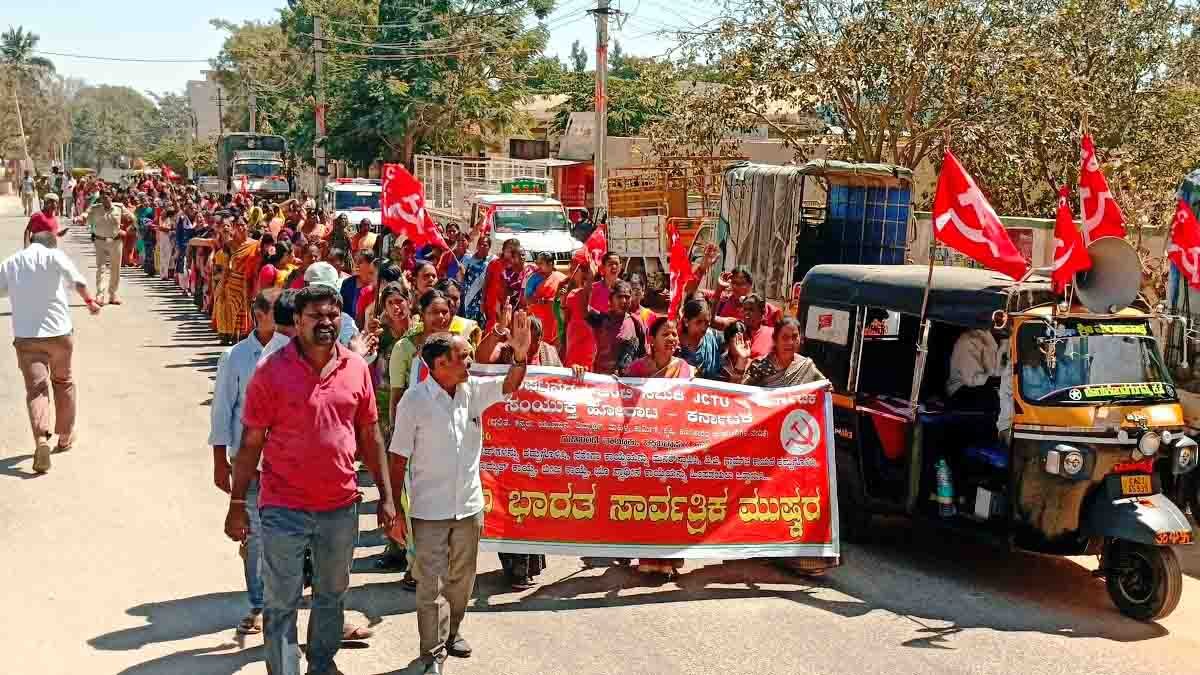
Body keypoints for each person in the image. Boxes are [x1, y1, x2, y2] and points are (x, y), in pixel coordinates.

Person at [224, 285, 397, 675]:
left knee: (331, 595)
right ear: (298, 323)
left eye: (332, 315)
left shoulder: (355, 368)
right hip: (283, 508)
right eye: (315, 316)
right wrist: (237, 504)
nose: (325, 323)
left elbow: (370, 434)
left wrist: (387, 497)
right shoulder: (270, 372)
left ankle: (322, 665)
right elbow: (251, 443)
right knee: (281, 601)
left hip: (339, 506)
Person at [388, 315, 533, 674]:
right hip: (429, 510)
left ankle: (452, 633)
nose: (470, 362)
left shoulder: (471, 391)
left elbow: (511, 385)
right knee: (430, 585)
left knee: (462, 580)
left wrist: (520, 355)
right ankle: (432, 652)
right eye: (463, 356)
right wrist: (390, 507)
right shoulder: (414, 401)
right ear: (440, 365)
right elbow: (396, 458)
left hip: (468, 506)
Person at [209, 289, 289, 636]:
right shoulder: (236, 357)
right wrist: (219, 460)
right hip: (250, 462)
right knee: (255, 534)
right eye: (276, 311)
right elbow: (222, 410)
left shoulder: (296, 353)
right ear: (259, 315)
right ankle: (258, 604)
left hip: (288, 462)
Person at [0, 228, 101, 473]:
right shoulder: (55, 256)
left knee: (36, 390)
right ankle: (65, 436)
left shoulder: (11, 262)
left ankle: (41, 439)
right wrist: (90, 302)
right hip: (59, 334)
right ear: (51, 244)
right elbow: (77, 280)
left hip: (27, 337)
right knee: (63, 381)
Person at [626, 316, 694, 576]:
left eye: (674, 334)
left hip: (673, 444)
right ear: (651, 341)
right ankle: (647, 555)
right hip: (645, 445)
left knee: (670, 500)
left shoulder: (684, 369)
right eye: (665, 334)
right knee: (647, 498)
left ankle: (668, 557)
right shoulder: (636, 370)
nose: (672, 339)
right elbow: (624, 400)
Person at [214, 220, 260, 346]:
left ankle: (244, 337)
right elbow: (225, 268)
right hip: (233, 282)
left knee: (246, 311)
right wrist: (221, 287)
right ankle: (231, 336)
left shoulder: (256, 244)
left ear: (248, 226)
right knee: (230, 309)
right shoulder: (229, 245)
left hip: (249, 282)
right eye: (238, 225)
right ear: (234, 228)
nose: (241, 227)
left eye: (243, 224)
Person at [743, 318, 825, 388]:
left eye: (794, 336)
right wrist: (741, 360)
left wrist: (826, 388)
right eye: (785, 337)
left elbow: (823, 385)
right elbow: (741, 392)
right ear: (775, 340)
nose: (790, 342)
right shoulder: (760, 366)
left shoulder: (805, 366)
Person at [84, 190, 128, 305]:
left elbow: (134, 218)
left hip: (115, 241)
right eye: (103, 197)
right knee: (101, 268)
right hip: (100, 241)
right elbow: (85, 215)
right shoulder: (95, 208)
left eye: (108, 196)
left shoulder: (119, 207)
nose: (105, 199)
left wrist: (126, 231)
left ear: (112, 196)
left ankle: (113, 294)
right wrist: (81, 217)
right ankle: (100, 295)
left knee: (115, 269)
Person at [304, 262, 362, 347]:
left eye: (327, 291)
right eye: (317, 290)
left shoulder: (345, 321)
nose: (322, 296)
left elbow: (363, 353)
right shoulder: (296, 315)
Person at [946, 328, 1001, 410]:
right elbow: (972, 379)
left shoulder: (978, 338)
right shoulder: (969, 341)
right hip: (962, 390)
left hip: (970, 387)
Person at [677, 297, 726, 380]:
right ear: (686, 322)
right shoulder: (675, 346)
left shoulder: (714, 338)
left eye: (707, 322)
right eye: (698, 322)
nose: (703, 327)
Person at [525, 252, 566, 347]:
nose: (538, 266)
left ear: (550, 263)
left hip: (556, 322)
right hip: (539, 322)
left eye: (541, 263)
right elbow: (527, 299)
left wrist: (559, 299)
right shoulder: (534, 278)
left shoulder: (562, 278)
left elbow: (567, 298)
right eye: (537, 263)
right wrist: (542, 301)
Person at [458, 233, 493, 324]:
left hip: (480, 298)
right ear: (477, 245)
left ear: (489, 247)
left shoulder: (492, 261)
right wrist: (461, 272)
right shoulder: (468, 259)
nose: (482, 246)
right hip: (466, 296)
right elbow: (461, 278)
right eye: (480, 244)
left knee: (476, 325)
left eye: (485, 245)